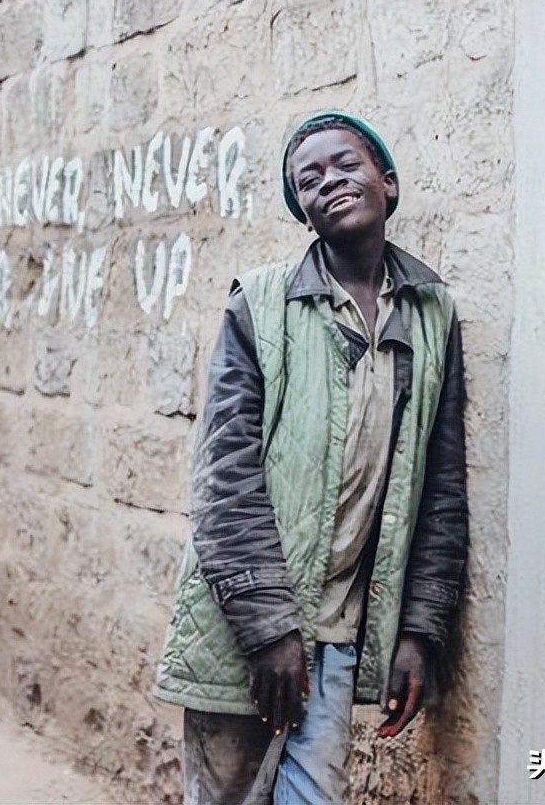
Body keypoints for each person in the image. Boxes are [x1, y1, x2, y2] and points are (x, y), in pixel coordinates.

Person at [154, 111, 469, 803]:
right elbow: (224, 482)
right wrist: (269, 632)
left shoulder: (431, 314)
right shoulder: (258, 306)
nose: (330, 181)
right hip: (244, 631)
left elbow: (441, 492)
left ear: (387, 182)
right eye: (309, 180)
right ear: (303, 213)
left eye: (346, 166)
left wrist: (421, 630)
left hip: (341, 637)